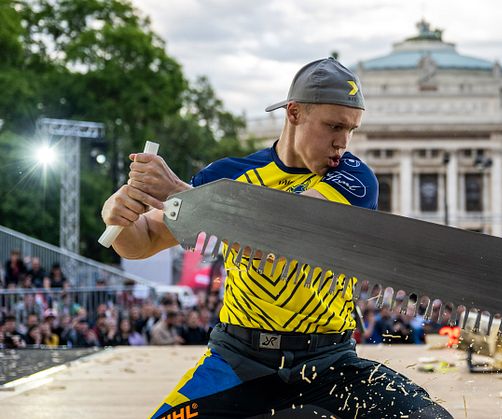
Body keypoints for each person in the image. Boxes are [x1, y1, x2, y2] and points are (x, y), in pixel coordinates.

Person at [101, 57, 450, 418]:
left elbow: (281, 241)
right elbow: (142, 242)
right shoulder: (227, 177)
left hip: (328, 363)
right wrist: (119, 214)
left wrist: (178, 192)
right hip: (237, 359)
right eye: (333, 126)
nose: (342, 143)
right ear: (294, 113)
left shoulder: (354, 179)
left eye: (351, 130)